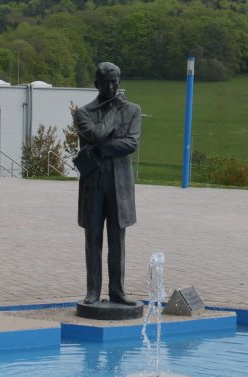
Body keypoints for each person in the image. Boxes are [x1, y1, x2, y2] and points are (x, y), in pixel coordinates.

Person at [73, 62, 142, 305]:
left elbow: (131, 143)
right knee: (92, 240)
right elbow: (95, 134)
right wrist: (113, 113)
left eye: (114, 82)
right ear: (96, 84)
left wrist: (98, 149)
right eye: (105, 83)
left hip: (120, 186)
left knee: (117, 241)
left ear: (119, 82)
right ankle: (93, 291)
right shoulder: (83, 113)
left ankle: (117, 291)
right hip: (93, 185)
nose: (111, 87)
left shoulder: (133, 110)